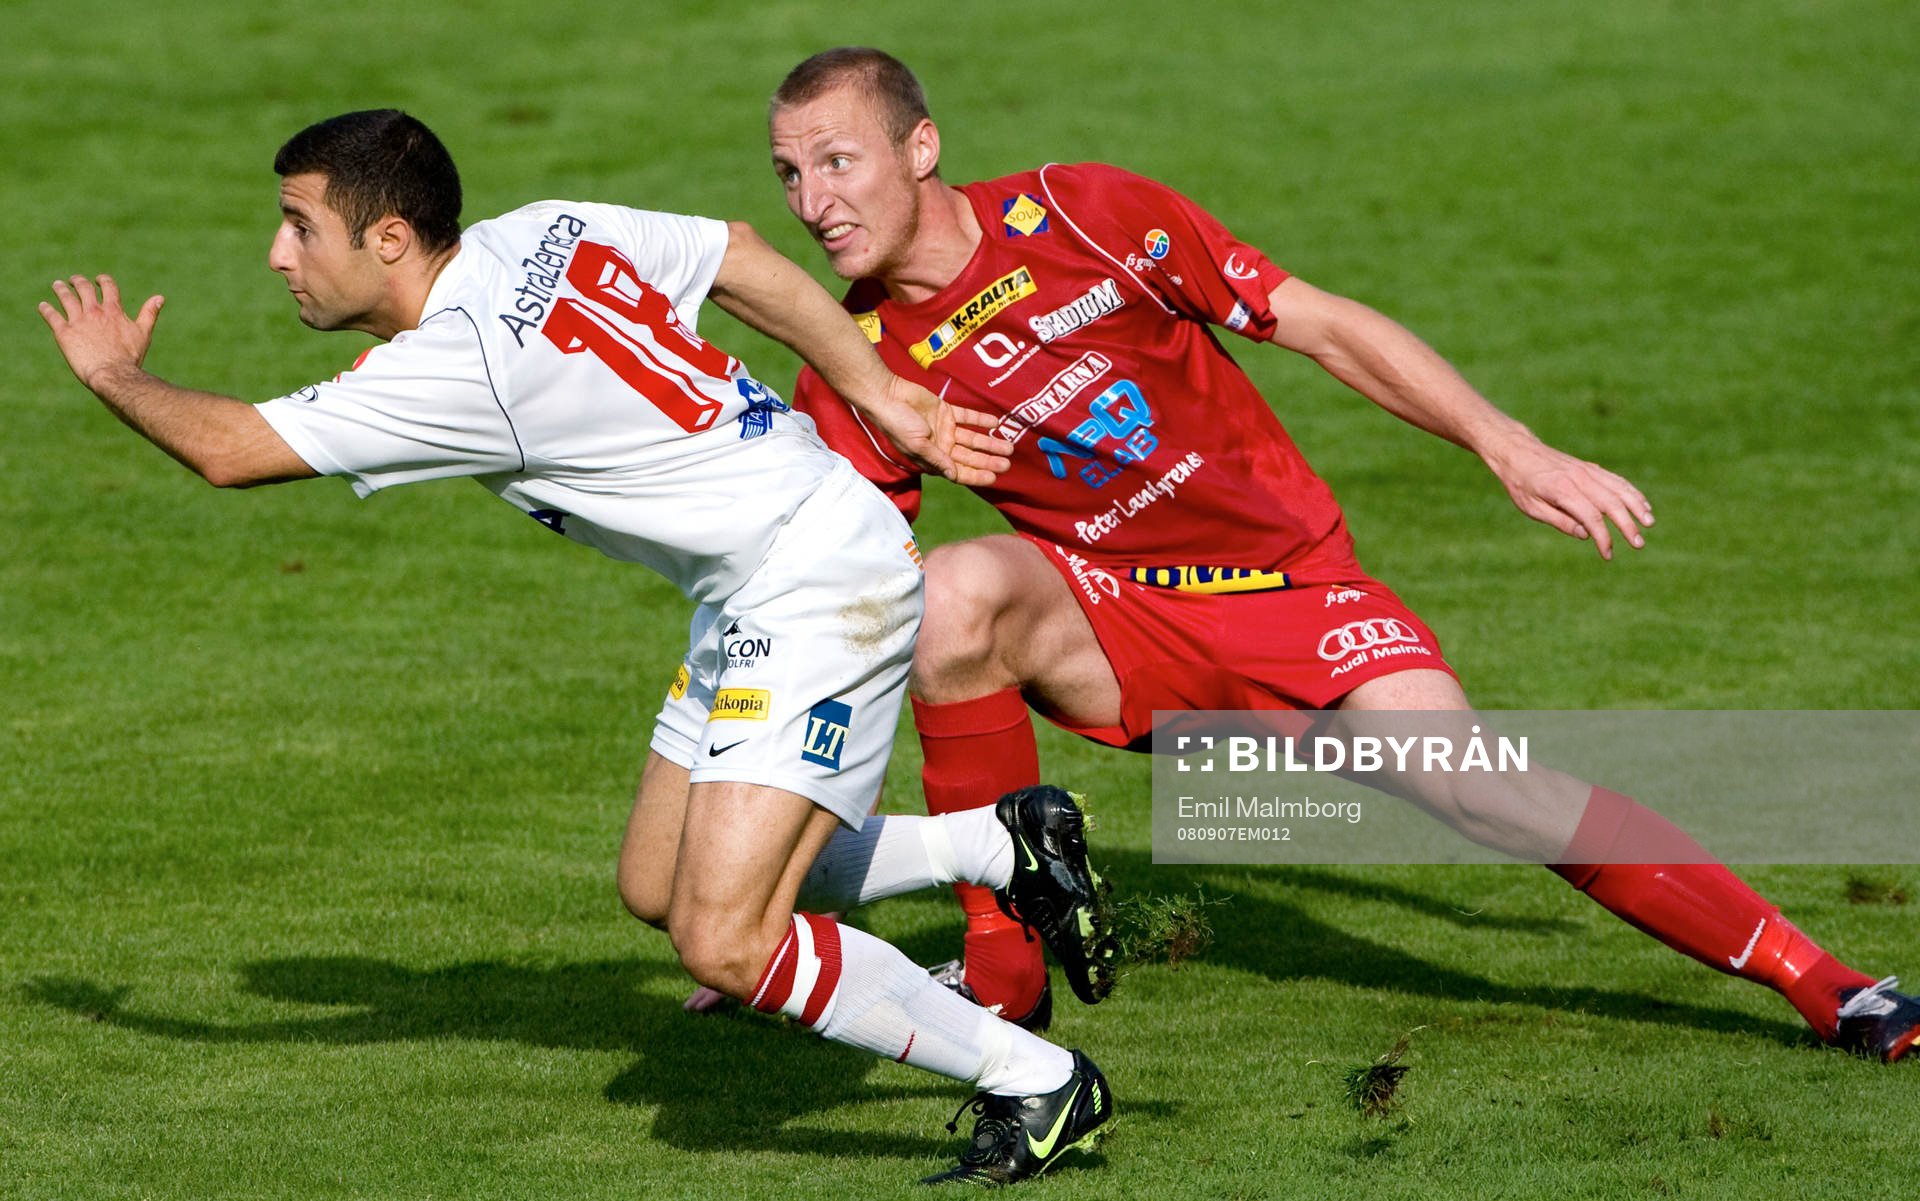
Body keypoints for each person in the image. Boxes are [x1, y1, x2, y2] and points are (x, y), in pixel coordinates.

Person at [756, 48, 1920, 1062]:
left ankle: (1829, 984)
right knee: (948, 597)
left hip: (1291, 584)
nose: (815, 202)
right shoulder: (856, 363)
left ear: (921, 148)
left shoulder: (1081, 212)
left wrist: (1507, 444)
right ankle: (1005, 969)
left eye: (838, 162)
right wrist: (750, 906)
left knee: (1486, 790)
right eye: (790, 175)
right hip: (1118, 620)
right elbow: (852, 608)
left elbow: (1312, 321)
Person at [39, 108, 1119, 1185]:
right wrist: (878, 391)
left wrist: (109, 374)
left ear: (388, 239)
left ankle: (1038, 1079)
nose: (279, 255)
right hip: (758, 577)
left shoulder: (456, 368)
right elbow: (741, 257)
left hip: (815, 584)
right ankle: (999, 845)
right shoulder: (543, 227)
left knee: (725, 939)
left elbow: (232, 451)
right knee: (659, 883)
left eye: (299, 226)